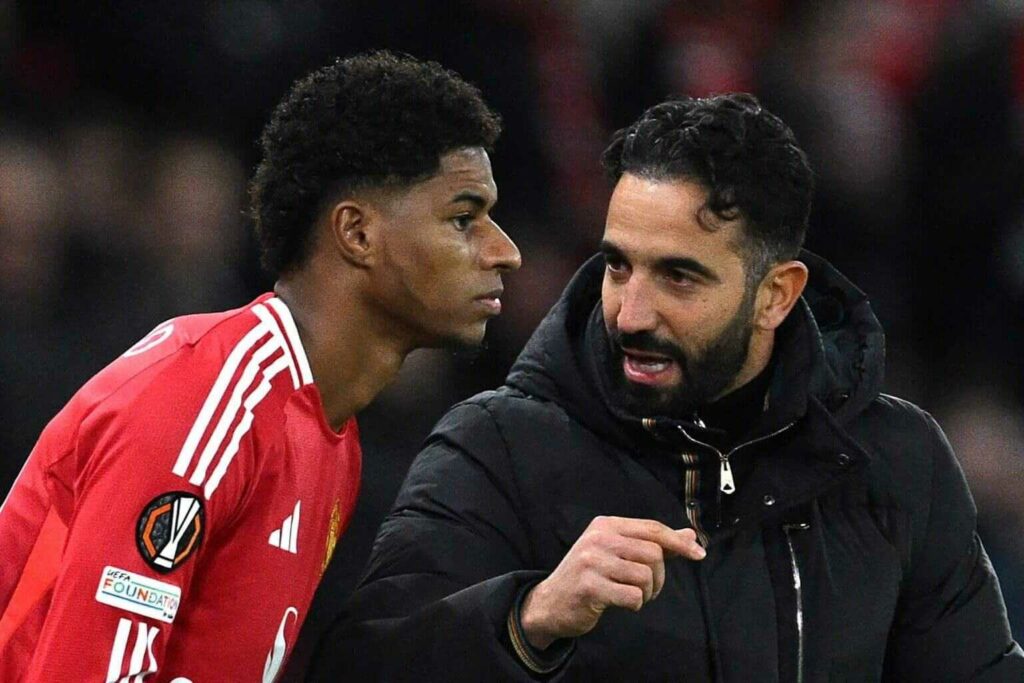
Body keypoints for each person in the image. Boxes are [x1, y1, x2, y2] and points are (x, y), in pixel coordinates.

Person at [311, 93, 1024, 681]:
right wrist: (527, 621)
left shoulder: (895, 461)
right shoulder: (497, 448)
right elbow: (363, 668)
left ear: (777, 294)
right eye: (619, 266)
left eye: (678, 276)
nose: (632, 311)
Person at [0, 50, 520, 681]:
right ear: (356, 233)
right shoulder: (208, 395)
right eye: (464, 218)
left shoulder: (333, 442)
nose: (506, 252)